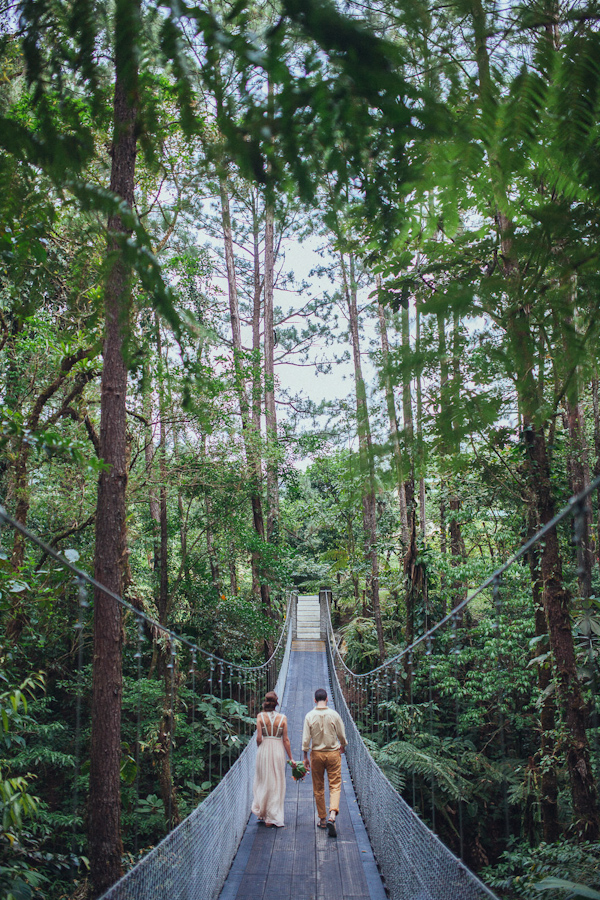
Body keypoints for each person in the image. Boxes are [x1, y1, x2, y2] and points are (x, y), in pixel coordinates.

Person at [302, 688, 347, 837]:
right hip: (333, 754)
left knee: (318, 787)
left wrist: (305, 756)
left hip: (317, 755)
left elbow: (306, 739)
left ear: (314, 700)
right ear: (327, 699)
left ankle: (322, 819)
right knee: (335, 785)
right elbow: (341, 734)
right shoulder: (334, 714)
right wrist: (343, 745)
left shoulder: (309, 716)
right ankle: (332, 815)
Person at [251, 690, 295, 827]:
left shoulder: (260, 716)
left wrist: (261, 746)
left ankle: (263, 812)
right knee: (276, 781)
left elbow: (258, 738)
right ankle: (272, 815)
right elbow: (286, 740)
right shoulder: (282, 718)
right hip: (277, 749)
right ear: (276, 704)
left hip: (264, 749)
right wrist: (291, 758)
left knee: (263, 780)